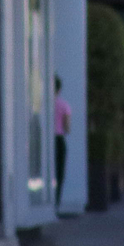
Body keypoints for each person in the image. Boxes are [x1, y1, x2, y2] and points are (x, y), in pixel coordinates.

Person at [52, 77, 71, 205]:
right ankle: (56, 202)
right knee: (59, 172)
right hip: (59, 139)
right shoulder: (64, 105)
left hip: (47, 141)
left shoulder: (41, 104)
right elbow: (67, 128)